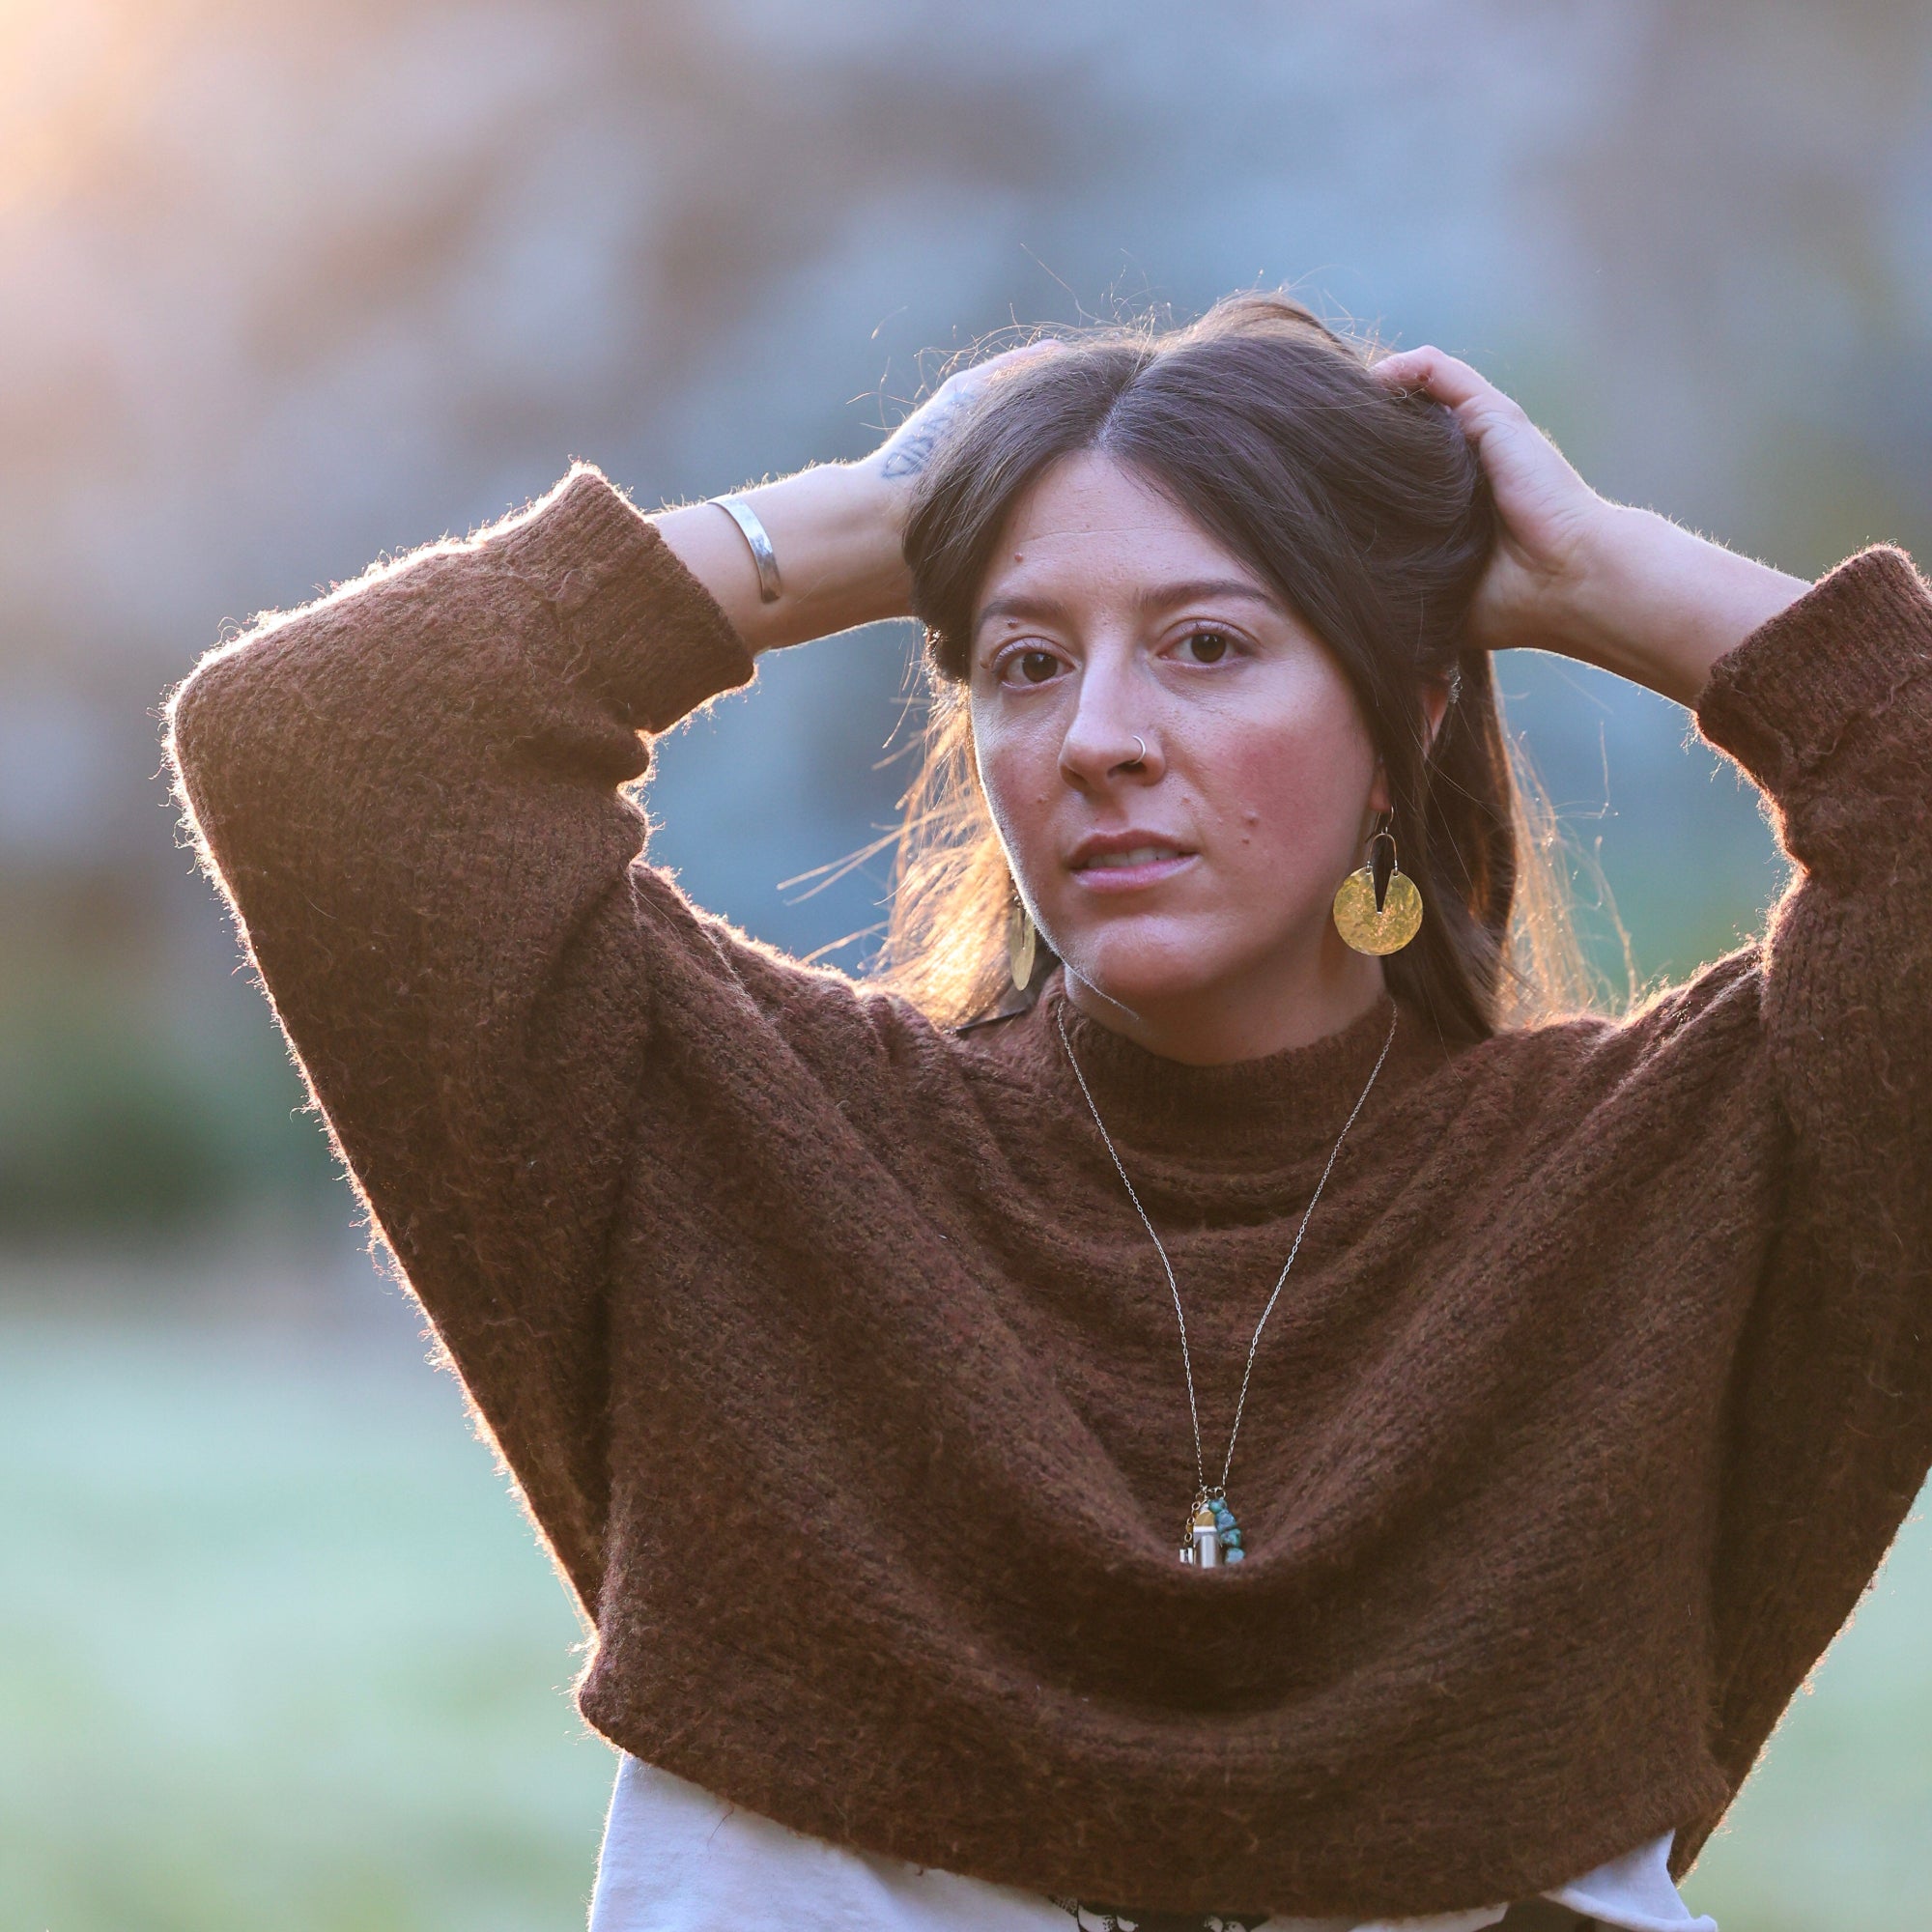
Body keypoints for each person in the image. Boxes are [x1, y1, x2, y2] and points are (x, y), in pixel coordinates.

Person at [163, 293, 1932, 1932]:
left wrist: (1602, 573)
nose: (1098, 735)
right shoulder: (753, 1150)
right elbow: (330, 742)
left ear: (1407, 706)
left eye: (1211, 644)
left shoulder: (1668, 1189)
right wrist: (872, 519)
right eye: (1022, 662)